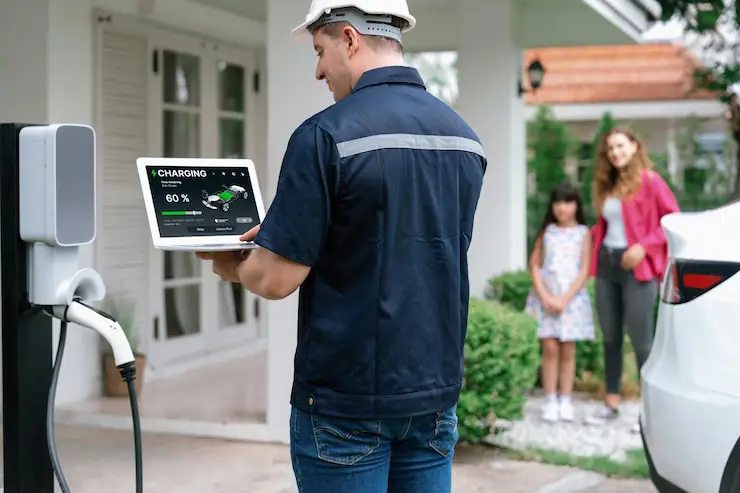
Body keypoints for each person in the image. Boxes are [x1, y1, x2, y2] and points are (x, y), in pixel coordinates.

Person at [196, 1, 486, 492]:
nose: (318, 71)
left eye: (320, 50)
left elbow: (275, 278)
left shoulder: (324, 135)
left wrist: (231, 264)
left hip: (344, 406)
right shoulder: (464, 139)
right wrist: (293, 227)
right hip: (433, 400)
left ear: (350, 38)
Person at [587, 126, 679, 427]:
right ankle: (612, 403)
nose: (615, 153)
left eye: (620, 146)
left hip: (637, 269)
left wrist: (644, 246)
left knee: (641, 340)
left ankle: (650, 408)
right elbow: (605, 226)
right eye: (611, 149)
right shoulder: (608, 183)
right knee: (611, 337)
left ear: (635, 146)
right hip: (607, 266)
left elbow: (672, 218)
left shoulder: (650, 181)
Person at [525, 182, 595, 423]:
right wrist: (545, 296)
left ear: (576, 205)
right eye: (558, 202)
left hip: (571, 300)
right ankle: (550, 399)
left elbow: (584, 269)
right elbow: (534, 264)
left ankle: (565, 400)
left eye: (568, 202)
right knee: (550, 349)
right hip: (546, 296)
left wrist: (564, 299)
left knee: (567, 350)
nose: (562, 208)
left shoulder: (583, 233)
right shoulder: (548, 232)